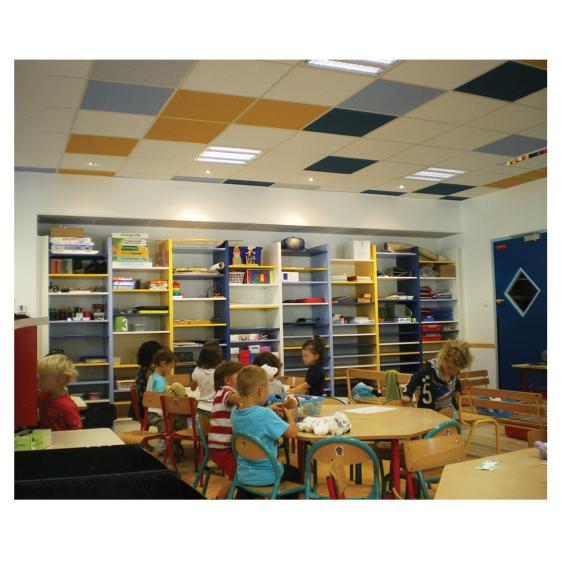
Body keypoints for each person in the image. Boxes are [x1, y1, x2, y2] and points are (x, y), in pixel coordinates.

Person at [231, 365, 300, 499]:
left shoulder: (234, 413)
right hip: (268, 475)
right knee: (296, 473)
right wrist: (290, 415)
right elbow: (292, 433)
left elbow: (252, 415)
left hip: (244, 474)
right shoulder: (265, 415)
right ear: (261, 390)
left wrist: (268, 409)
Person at [401, 339, 473, 412]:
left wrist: (458, 389)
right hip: (428, 409)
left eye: (456, 370)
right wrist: (408, 394)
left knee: (449, 411)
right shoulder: (428, 370)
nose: (453, 372)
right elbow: (414, 379)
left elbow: (456, 380)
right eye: (449, 368)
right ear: (443, 359)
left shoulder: (454, 372)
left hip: (447, 406)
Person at [207, 360, 243, 499]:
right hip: (221, 448)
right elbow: (235, 399)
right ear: (227, 380)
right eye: (240, 376)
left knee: (241, 471)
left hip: (226, 446)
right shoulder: (225, 391)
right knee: (238, 474)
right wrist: (251, 389)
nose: (244, 380)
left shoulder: (224, 392)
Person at [147, 348, 187, 455]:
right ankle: (155, 454)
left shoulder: (153, 376)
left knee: (177, 420)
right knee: (167, 432)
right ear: (163, 364)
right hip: (158, 414)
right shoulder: (159, 380)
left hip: (153, 412)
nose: (170, 371)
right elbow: (161, 399)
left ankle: (174, 447)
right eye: (170, 368)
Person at [37, 354, 82, 431]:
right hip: (47, 437)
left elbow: (77, 431)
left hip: (63, 439)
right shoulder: (42, 396)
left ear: (61, 379)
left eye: (42, 377)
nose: (38, 380)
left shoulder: (67, 406)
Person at [190, 340, 223, 433]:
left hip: (201, 409)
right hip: (217, 408)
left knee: (204, 434)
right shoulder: (220, 372)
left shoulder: (197, 370)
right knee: (216, 433)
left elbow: (192, 388)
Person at [129, 340, 163, 419]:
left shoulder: (143, 370)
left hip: (142, 407)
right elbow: (155, 392)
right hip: (147, 409)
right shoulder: (149, 372)